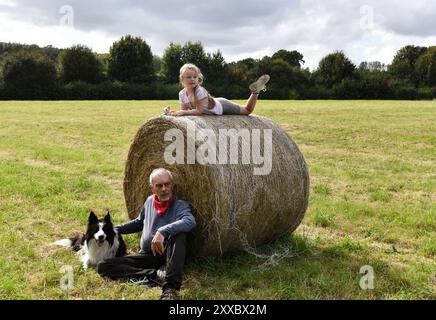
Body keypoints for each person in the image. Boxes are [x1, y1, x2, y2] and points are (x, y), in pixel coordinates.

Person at [96, 168, 196, 300]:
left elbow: (190, 221)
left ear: (172, 185)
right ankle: (154, 275)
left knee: (179, 235)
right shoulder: (149, 201)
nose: (164, 189)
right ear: (152, 188)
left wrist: (162, 231)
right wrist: (113, 229)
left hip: (168, 254)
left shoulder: (180, 205)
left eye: (167, 184)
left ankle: (170, 289)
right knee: (103, 266)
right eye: (159, 186)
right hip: (147, 255)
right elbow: (138, 223)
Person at [163, 63, 270, 116]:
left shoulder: (200, 91)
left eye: (195, 77)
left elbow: (199, 112)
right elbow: (185, 112)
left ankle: (255, 91)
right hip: (214, 102)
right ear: (182, 79)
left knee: (247, 110)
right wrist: (170, 113)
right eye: (189, 77)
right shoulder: (181, 94)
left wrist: (181, 112)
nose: (192, 79)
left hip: (221, 105)